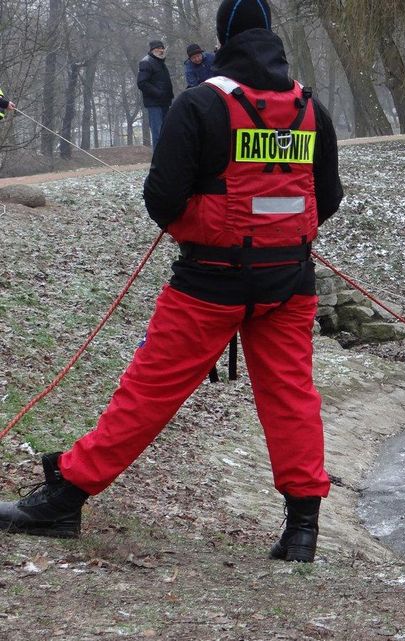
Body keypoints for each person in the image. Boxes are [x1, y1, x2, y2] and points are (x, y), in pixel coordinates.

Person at [0, 0, 343, 564]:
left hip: (209, 281)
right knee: (291, 398)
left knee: (150, 390)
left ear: (222, 38)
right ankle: (302, 528)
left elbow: (161, 197)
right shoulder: (311, 109)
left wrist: (203, 229)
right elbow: (326, 198)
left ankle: (65, 497)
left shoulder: (200, 103)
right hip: (288, 281)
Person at [137, 39, 174, 143]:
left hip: (165, 102)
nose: (161, 50)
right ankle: (158, 159)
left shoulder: (161, 62)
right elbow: (142, 83)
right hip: (154, 103)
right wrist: (158, 93)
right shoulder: (146, 62)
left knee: (165, 132)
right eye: (158, 48)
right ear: (153, 50)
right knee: (157, 133)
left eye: (162, 48)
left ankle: (166, 157)